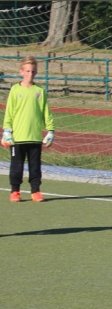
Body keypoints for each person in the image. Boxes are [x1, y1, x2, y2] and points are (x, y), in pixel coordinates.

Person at [2, 56, 54, 202]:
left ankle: (35, 191)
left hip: (35, 137)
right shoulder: (15, 90)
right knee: (16, 167)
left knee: (35, 166)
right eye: (27, 71)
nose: (30, 74)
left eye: (33, 71)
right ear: (21, 72)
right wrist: (7, 130)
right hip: (17, 137)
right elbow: (9, 112)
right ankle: (15, 191)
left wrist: (50, 131)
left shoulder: (39, 91)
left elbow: (46, 112)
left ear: (36, 72)